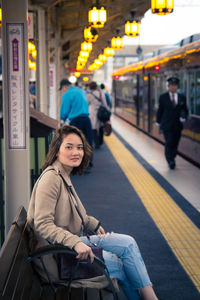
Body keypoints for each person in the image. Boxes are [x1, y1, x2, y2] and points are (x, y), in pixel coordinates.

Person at [27, 125, 158, 300]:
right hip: (59, 257)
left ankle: (150, 297)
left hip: (67, 248)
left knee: (128, 245)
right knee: (120, 261)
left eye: (79, 147)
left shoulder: (62, 174)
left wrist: (91, 223)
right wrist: (74, 242)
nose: (76, 152)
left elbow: (73, 211)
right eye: (69, 147)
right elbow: (42, 224)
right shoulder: (51, 178)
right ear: (56, 151)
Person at [156, 77, 188, 169]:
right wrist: (158, 121)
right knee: (169, 142)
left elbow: (185, 110)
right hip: (167, 124)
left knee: (175, 143)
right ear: (168, 86)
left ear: (177, 87)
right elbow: (160, 110)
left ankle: (172, 157)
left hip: (178, 125)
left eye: (175, 86)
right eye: (171, 86)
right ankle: (170, 160)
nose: (173, 87)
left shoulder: (182, 97)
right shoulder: (163, 97)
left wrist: (184, 117)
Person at [59, 78, 93, 149]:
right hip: (87, 120)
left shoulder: (67, 94)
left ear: (64, 86)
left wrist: (62, 119)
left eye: (62, 89)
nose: (62, 91)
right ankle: (88, 159)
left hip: (76, 122)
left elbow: (65, 110)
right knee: (88, 143)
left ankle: (79, 160)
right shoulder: (81, 90)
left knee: (77, 144)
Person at [86, 81, 110, 149]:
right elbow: (105, 104)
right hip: (101, 112)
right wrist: (106, 111)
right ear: (96, 86)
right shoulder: (100, 93)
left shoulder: (89, 94)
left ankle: (96, 143)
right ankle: (100, 141)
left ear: (90, 87)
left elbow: (87, 103)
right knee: (101, 127)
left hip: (92, 112)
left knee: (93, 128)